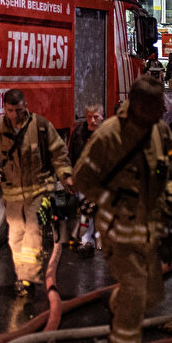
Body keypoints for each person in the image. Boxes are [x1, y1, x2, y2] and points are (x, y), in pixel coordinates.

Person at [73, 76, 172, 343]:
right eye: (156, 105)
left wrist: (170, 192)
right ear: (139, 105)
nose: (163, 111)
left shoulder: (160, 131)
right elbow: (82, 179)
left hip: (149, 228)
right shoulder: (109, 136)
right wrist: (111, 200)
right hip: (118, 230)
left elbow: (169, 167)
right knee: (134, 291)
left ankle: (116, 304)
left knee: (149, 295)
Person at [0, 89, 75, 297]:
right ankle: (24, 275)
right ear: (4, 109)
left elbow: (59, 152)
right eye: (10, 110)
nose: (15, 115)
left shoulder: (41, 126)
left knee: (33, 231)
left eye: (19, 110)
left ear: (26, 106)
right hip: (12, 194)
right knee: (15, 236)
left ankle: (27, 278)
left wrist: (65, 176)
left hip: (40, 190)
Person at [68, 104, 105, 255]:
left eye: (96, 117)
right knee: (85, 210)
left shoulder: (108, 132)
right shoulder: (79, 133)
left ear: (102, 116)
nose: (92, 120)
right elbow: (71, 155)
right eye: (89, 117)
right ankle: (86, 240)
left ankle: (100, 236)